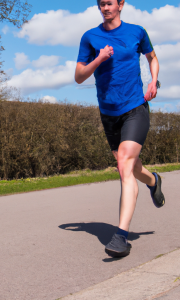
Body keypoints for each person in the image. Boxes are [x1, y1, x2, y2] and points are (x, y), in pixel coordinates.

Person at [75, 0, 165, 258]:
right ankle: (153, 180)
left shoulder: (137, 31)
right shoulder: (90, 37)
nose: (106, 7)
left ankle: (121, 236)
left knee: (124, 165)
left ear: (121, 4)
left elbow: (152, 58)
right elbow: (79, 75)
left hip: (135, 107)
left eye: (110, 3)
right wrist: (99, 59)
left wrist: (153, 82)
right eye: (101, 3)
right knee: (131, 166)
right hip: (108, 113)